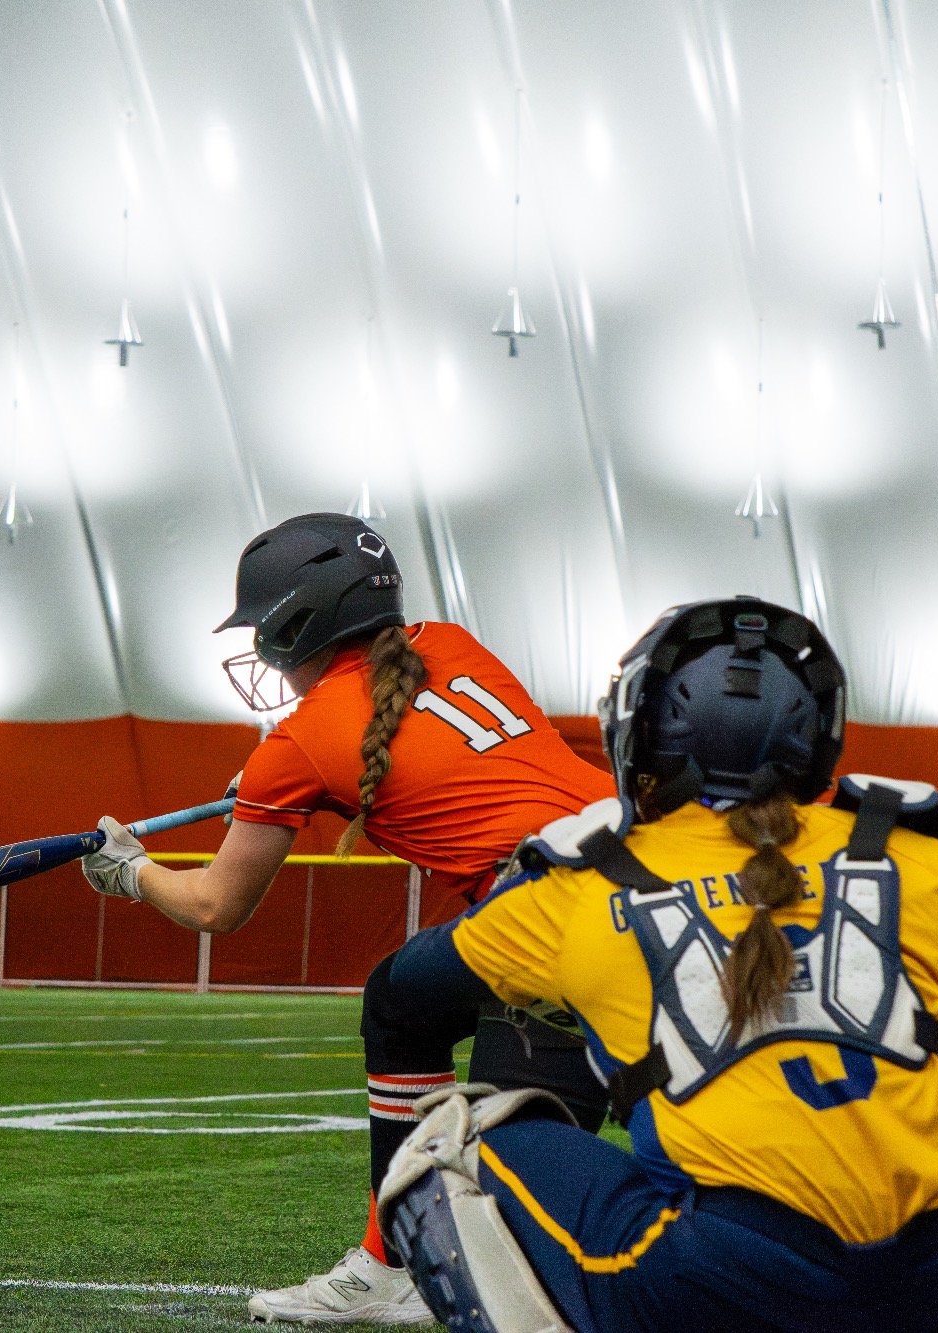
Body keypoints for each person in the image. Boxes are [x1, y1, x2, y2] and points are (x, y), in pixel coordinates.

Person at [370, 598, 938, 1333]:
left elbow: (403, 990)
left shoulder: (581, 885)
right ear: (817, 734)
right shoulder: (927, 853)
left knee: (455, 1143)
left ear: (640, 730)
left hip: (725, 1285)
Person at [78, 513, 615, 1325]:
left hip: (551, 916)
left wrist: (132, 871)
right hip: (647, 872)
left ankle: (395, 1262)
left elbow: (217, 904)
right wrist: (282, 774)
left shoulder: (297, 744)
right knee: (535, 1135)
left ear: (297, 623)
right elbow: (453, 762)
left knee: (407, 1019)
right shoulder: (451, 642)